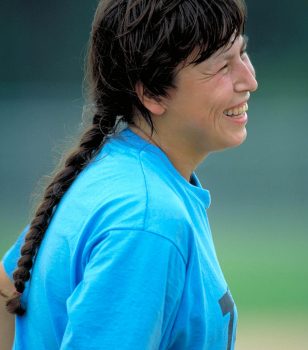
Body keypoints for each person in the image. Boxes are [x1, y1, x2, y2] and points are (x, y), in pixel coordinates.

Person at [0, 0, 258, 348]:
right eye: (223, 66)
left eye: (242, 54)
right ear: (151, 92)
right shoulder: (147, 218)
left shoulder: (110, 172)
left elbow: (7, 288)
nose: (249, 80)